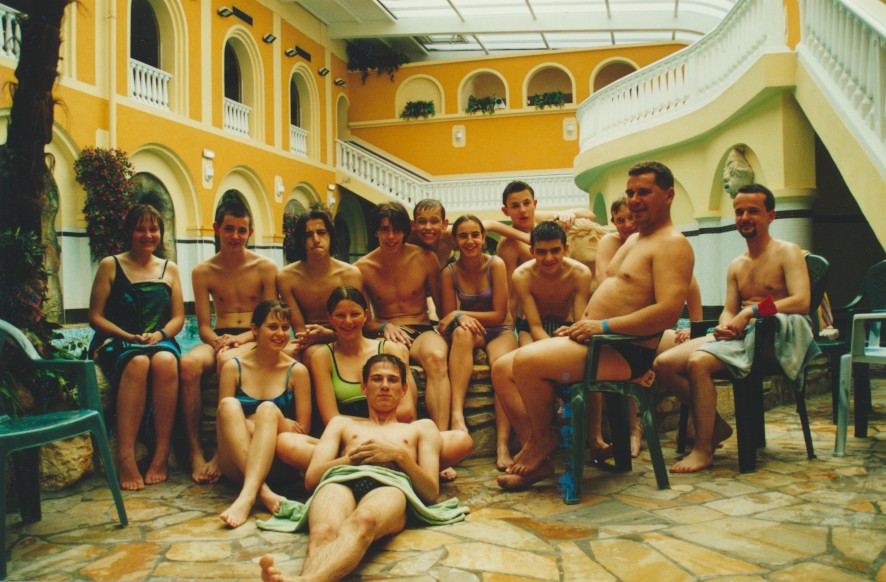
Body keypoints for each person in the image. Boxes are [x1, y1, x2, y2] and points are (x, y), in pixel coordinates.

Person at [494, 161, 694, 490]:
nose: (634, 200)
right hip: (597, 341)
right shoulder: (634, 240)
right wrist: (583, 328)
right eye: (630, 193)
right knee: (502, 369)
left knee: (526, 360)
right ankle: (539, 452)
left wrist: (601, 326)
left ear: (669, 195)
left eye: (644, 192)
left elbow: (668, 313)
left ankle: (541, 443)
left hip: (624, 350)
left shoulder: (672, 244)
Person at [653, 184, 816, 473]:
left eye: (753, 211)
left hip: (773, 337)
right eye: (739, 212)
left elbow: (801, 301)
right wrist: (725, 325)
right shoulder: (736, 265)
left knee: (698, 362)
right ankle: (715, 425)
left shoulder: (787, 252)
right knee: (663, 363)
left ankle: (704, 449)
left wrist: (751, 312)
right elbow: (729, 309)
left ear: (770, 215)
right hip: (741, 336)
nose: (745, 217)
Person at [260, 354, 463, 582]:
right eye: (377, 379)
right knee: (322, 531)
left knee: (364, 520)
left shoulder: (422, 428)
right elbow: (312, 479)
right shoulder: (341, 424)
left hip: (390, 484)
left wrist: (399, 456)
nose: (384, 386)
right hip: (340, 480)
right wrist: (349, 460)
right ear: (364, 388)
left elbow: (430, 491)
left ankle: (306, 580)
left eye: (392, 380)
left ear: (404, 389)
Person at [294, 287, 472, 480]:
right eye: (340, 315)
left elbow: (406, 412)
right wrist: (367, 430)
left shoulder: (389, 349)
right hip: (352, 443)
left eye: (355, 314)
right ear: (330, 318)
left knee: (461, 440)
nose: (348, 322)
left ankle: (369, 466)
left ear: (365, 315)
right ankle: (407, 467)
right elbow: (331, 417)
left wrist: (374, 430)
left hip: (394, 439)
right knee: (288, 442)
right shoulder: (322, 356)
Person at [179, 198, 279, 484]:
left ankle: (221, 452)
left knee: (227, 362)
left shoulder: (265, 267)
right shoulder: (203, 271)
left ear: (250, 232)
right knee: (187, 364)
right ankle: (195, 451)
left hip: (254, 335)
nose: (235, 236)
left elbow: (271, 316)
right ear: (217, 228)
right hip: (220, 336)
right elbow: (202, 326)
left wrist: (243, 338)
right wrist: (218, 341)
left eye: (241, 230)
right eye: (229, 229)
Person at [87, 204, 185, 491]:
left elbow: (178, 318)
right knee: (139, 362)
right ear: (129, 232)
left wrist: (159, 334)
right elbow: (95, 317)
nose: (147, 235)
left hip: (159, 339)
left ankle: (161, 454)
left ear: (161, 233)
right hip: (118, 340)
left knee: (166, 361)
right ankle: (125, 457)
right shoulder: (110, 265)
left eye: (153, 229)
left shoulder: (169, 269)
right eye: (140, 229)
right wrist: (127, 336)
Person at [496, 221, 592, 468]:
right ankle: (535, 439)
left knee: (587, 360)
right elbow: (535, 325)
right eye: (541, 252)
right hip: (533, 329)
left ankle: (595, 438)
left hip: (566, 328)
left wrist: (565, 340)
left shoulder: (580, 273)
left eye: (555, 251)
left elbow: (580, 322)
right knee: (524, 359)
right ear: (532, 251)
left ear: (566, 249)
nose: (549, 258)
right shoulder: (523, 275)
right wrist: (552, 354)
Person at [216, 300, 315, 528]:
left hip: (278, 465)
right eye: (272, 327)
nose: (280, 334)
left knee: (267, 409)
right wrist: (214, 459)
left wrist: (258, 423)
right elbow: (223, 420)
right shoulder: (233, 367)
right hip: (236, 464)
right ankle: (262, 492)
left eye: (285, 328)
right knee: (229, 405)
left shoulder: (297, 371)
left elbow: (302, 430)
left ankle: (248, 496)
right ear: (254, 329)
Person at [356, 202, 452, 433]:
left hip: (421, 327)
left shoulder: (425, 258)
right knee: (396, 361)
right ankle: (407, 434)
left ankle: (440, 436)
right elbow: (362, 321)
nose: (391, 236)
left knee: (437, 357)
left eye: (397, 230)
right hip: (387, 332)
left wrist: (459, 318)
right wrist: (383, 326)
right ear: (376, 231)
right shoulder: (362, 268)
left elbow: (443, 310)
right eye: (384, 229)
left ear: (406, 231)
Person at [437, 215, 516, 465]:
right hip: (475, 331)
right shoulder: (449, 272)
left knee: (502, 366)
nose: (469, 241)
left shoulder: (496, 264)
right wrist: (457, 316)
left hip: (500, 329)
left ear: (483, 238)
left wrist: (459, 314)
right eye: (463, 236)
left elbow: (499, 314)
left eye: (475, 235)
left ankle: (502, 444)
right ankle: (457, 415)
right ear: (454, 241)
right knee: (461, 333)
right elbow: (448, 318)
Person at [276, 209, 363, 361]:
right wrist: (314, 337)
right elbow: (300, 330)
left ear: (331, 236)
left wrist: (329, 335)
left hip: (346, 336)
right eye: (308, 235)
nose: (316, 239)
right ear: (301, 240)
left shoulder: (351, 274)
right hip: (308, 340)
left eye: (321, 232)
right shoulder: (287, 277)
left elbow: (360, 323)